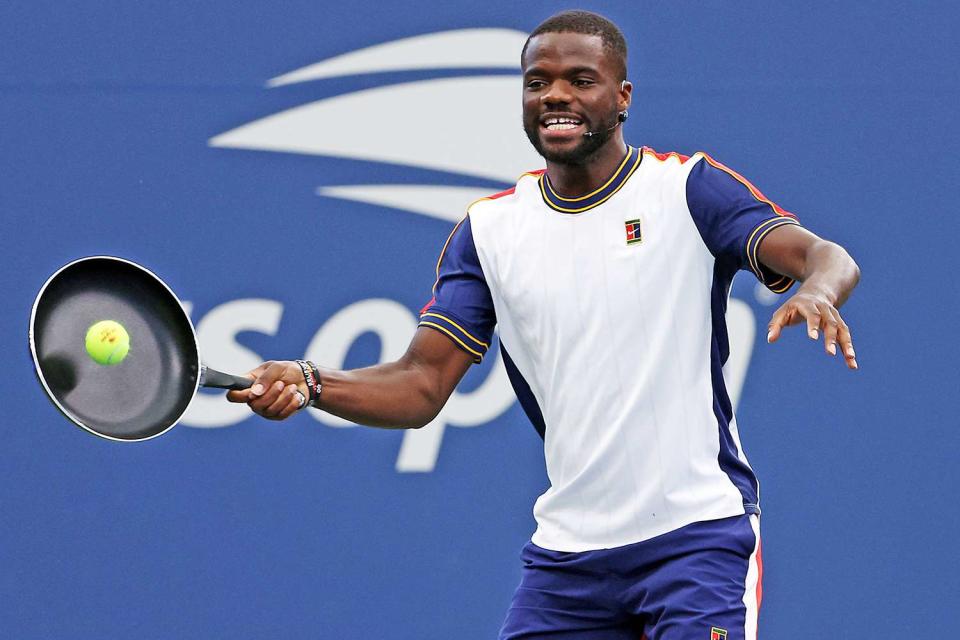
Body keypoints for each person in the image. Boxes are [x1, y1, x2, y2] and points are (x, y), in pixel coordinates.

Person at [227, 10, 859, 639]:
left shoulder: (688, 190)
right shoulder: (489, 232)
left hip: (696, 542)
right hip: (569, 562)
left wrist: (820, 292)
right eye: (537, 82)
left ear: (622, 96)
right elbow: (421, 385)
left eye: (581, 80)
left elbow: (824, 256)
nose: (555, 95)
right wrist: (310, 381)